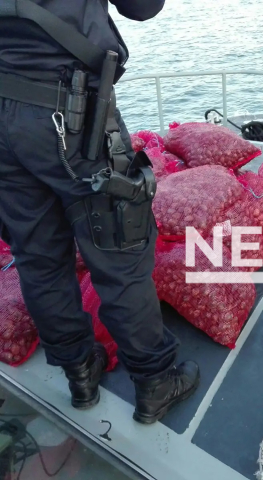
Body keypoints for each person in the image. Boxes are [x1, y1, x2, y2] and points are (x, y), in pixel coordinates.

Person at [0, 0, 199, 424]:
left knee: (37, 254)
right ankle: (155, 382)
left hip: (4, 114)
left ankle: (79, 372)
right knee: (120, 251)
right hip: (70, 114)